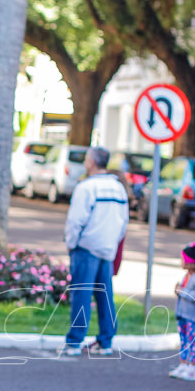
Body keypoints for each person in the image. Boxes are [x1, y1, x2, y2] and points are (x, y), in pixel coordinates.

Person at [61, 147, 129, 356]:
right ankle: (106, 340)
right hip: (107, 247)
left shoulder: (86, 188)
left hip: (86, 247)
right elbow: (124, 221)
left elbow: (75, 220)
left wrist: (72, 243)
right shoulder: (118, 188)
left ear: (91, 162)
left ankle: (75, 341)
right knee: (105, 296)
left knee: (81, 294)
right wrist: (113, 242)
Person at [169, 243, 195, 382]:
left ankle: (192, 367)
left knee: (191, 342)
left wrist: (182, 292)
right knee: (183, 341)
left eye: (183, 259)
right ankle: (183, 363)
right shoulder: (187, 276)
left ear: (190, 261)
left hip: (192, 316)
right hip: (182, 315)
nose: (181, 261)